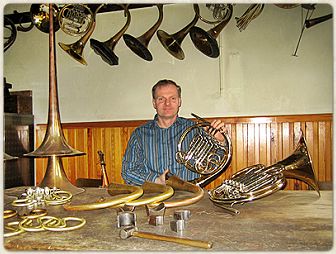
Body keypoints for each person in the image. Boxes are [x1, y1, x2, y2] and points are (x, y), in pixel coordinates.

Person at [122, 79, 226, 186]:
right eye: (161, 99)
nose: (167, 103)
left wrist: (221, 141)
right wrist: (156, 180)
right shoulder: (139, 134)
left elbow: (214, 163)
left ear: (179, 101)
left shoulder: (196, 129)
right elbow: (128, 171)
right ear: (154, 103)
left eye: (172, 98)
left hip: (191, 195)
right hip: (155, 196)